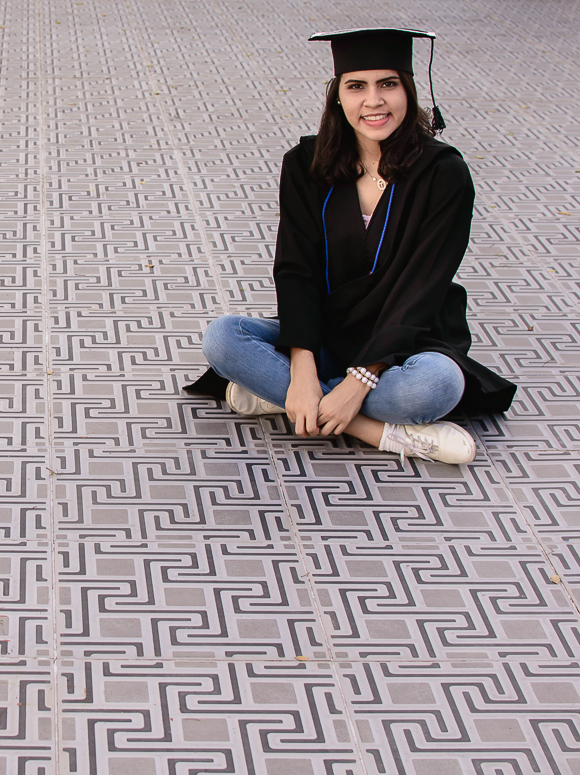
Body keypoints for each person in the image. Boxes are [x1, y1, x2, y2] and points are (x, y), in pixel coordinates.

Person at [187, 27, 515, 464]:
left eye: (388, 85)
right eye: (357, 86)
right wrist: (302, 368)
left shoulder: (444, 174)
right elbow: (296, 269)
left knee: (436, 386)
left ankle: (284, 400)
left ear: (409, 92)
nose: (373, 101)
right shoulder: (305, 164)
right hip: (326, 334)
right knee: (222, 338)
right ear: (338, 95)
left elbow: (423, 286)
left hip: (408, 342)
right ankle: (380, 432)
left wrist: (360, 379)